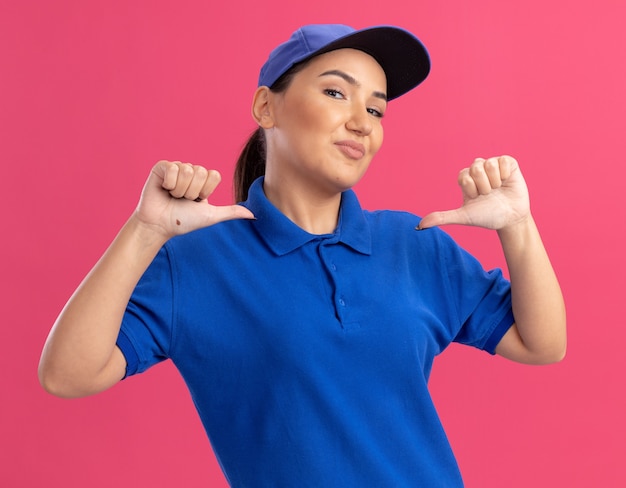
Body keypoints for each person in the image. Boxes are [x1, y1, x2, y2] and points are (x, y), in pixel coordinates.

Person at [39, 24, 566, 487]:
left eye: (377, 109)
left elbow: (541, 343)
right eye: (337, 92)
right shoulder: (198, 262)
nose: (362, 121)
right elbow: (67, 375)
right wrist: (145, 230)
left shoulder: (415, 243)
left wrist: (518, 225)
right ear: (266, 107)